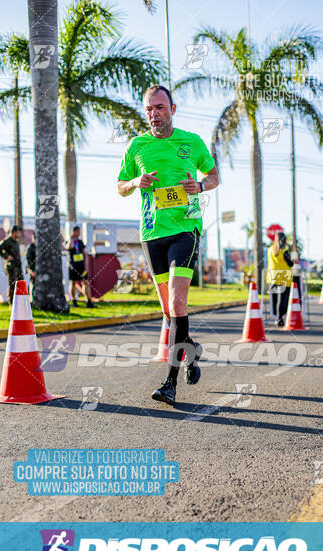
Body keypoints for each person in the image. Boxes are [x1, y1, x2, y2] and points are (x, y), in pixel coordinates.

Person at [117, 84, 219, 406]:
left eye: (159, 107)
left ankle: (169, 384)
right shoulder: (137, 146)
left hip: (186, 229)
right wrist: (135, 182)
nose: (153, 114)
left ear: (172, 109)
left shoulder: (192, 142)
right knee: (168, 311)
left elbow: (215, 176)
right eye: (149, 109)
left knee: (177, 304)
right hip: (151, 234)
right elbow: (120, 186)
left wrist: (199, 185)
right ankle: (189, 348)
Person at [267, 232, 293, 327]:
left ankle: (276, 317)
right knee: (282, 300)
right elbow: (290, 264)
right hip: (284, 278)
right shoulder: (284, 251)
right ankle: (280, 319)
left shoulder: (270, 250)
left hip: (273, 277)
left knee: (275, 300)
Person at [0, 225, 24, 306]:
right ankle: (12, 303)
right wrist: (7, 256)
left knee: (20, 284)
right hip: (11, 267)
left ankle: (19, 304)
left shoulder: (16, 242)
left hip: (18, 267)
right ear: (14, 233)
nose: (19, 234)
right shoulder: (7, 240)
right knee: (12, 285)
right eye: (18, 232)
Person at [65, 226, 94, 308]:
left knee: (85, 282)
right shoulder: (69, 241)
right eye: (78, 232)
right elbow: (69, 247)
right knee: (73, 283)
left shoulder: (80, 242)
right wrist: (71, 238)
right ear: (74, 232)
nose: (79, 233)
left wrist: (86, 266)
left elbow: (85, 254)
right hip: (73, 266)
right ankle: (74, 301)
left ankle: (88, 301)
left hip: (81, 266)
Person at [26, 232, 36, 298]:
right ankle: (31, 299)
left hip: (38, 270)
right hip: (32, 270)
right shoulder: (30, 247)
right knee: (32, 284)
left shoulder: (39, 247)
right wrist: (31, 270)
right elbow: (28, 259)